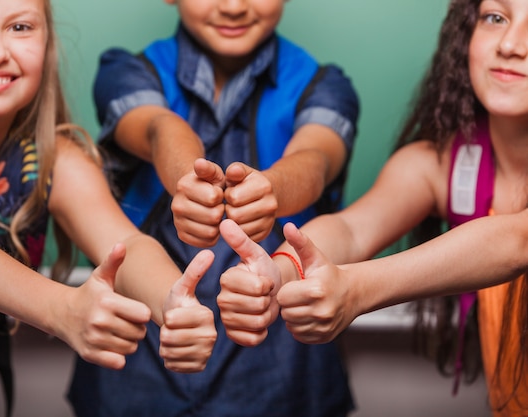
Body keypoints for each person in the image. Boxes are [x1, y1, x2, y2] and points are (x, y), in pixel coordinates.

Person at [0, 0, 218, 415]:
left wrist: (174, 303)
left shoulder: (52, 162)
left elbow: (127, 245)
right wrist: (61, 308)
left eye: (19, 27)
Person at [217, 0, 528, 415]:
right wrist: (279, 272)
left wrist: (358, 290)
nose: (510, 44)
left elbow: (516, 241)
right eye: (496, 17)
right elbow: (352, 230)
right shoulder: (441, 163)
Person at [68, 0, 359, 416]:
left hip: (283, 369)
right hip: (138, 360)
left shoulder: (325, 85)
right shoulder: (126, 71)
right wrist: (189, 179)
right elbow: (156, 127)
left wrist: (272, 188)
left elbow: (317, 156)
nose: (234, 6)